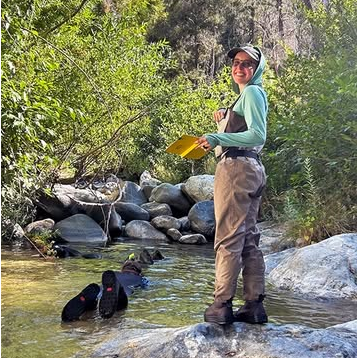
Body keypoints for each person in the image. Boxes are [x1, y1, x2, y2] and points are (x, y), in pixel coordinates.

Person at [196, 44, 268, 325]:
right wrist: (226, 116)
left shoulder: (251, 92)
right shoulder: (251, 94)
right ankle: (253, 306)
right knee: (248, 238)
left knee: (228, 237)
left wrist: (218, 138)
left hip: (237, 169)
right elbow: (246, 126)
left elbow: (256, 134)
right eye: (236, 63)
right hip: (252, 169)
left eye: (247, 64)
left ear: (257, 69)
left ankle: (221, 305)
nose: (239, 68)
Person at [61, 253, 153, 322]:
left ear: (122, 269)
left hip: (102, 291)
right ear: (138, 272)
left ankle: (90, 303)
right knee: (120, 300)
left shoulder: (112, 275)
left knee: (100, 295)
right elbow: (147, 290)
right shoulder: (141, 279)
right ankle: (118, 289)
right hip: (123, 294)